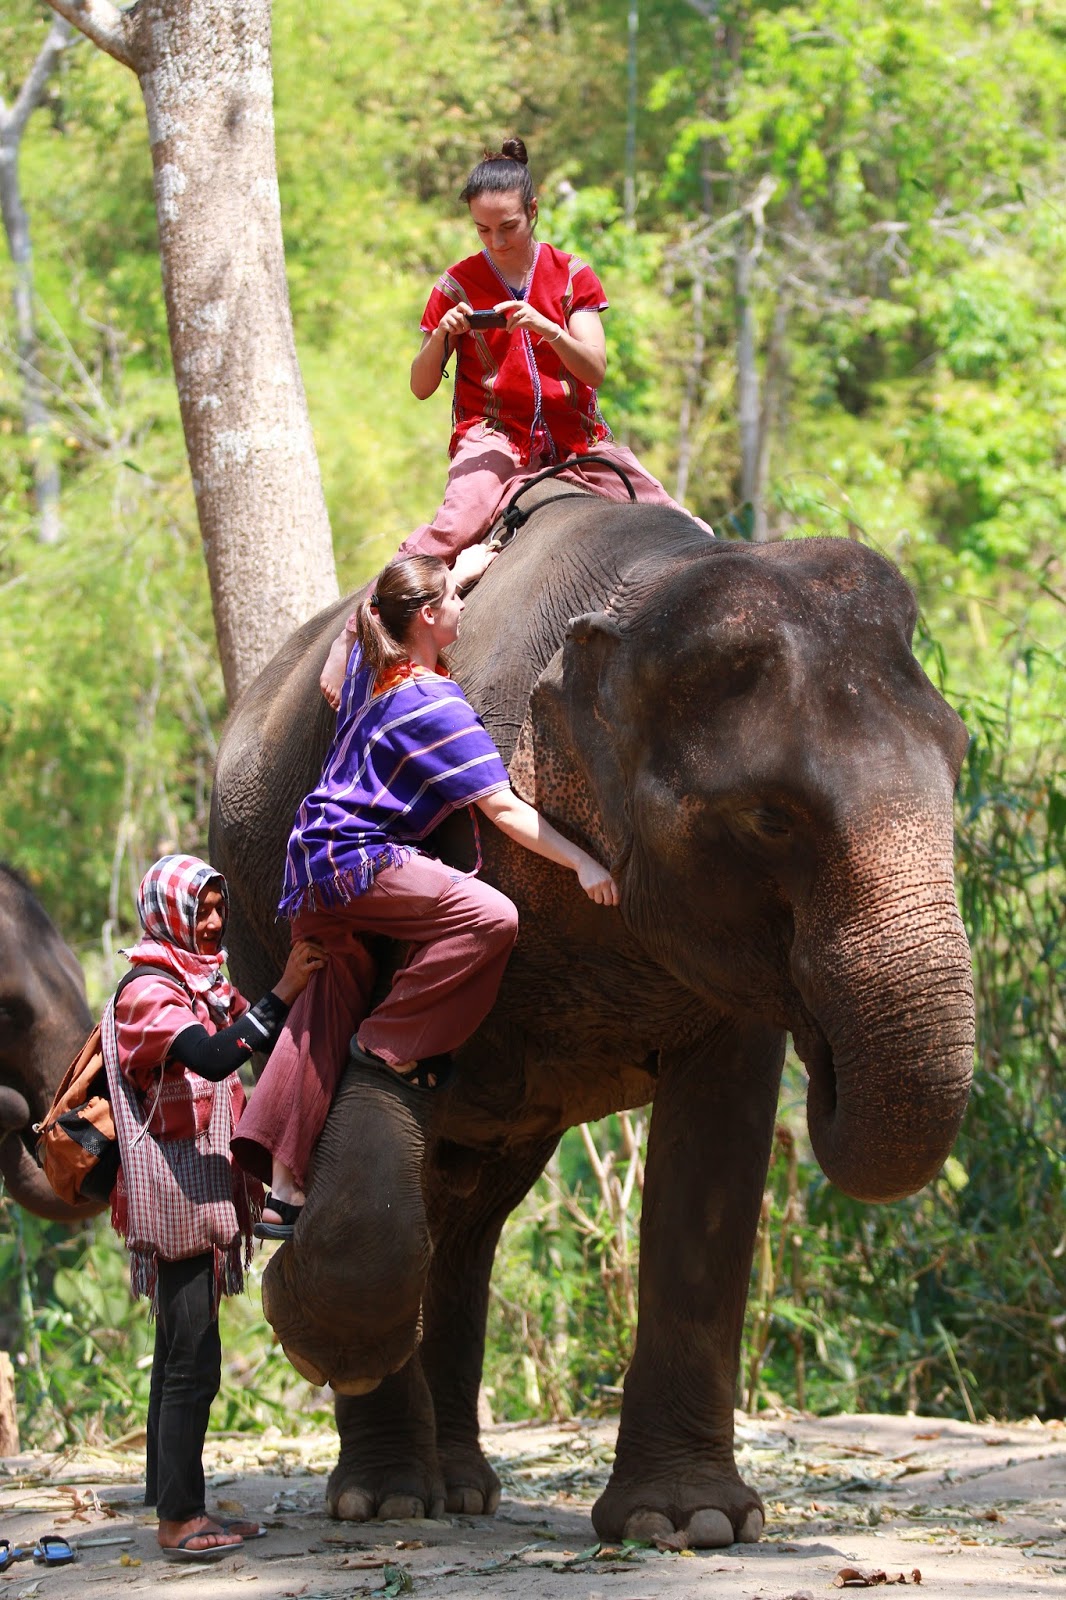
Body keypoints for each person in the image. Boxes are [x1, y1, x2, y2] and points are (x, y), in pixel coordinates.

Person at [232, 552, 618, 1238]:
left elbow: (381, 613)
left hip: (309, 862)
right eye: (455, 600)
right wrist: (583, 862)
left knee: (325, 996)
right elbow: (502, 809)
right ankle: (391, 1045)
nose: (466, 607)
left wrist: (459, 568)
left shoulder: (372, 674)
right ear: (430, 618)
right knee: (489, 917)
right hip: (356, 861)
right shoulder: (433, 704)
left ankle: (284, 1188)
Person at [320, 135, 711, 707]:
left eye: (508, 226)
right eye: (483, 230)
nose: (496, 241)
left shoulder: (572, 275)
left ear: (533, 211)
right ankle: (356, 628)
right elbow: (422, 385)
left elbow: (594, 368)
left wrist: (548, 328)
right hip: (494, 436)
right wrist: (443, 336)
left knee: (684, 525)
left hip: (579, 438)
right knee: (454, 528)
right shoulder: (455, 284)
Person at [102, 854, 324, 1562]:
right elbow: (213, 1057)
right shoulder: (148, 992)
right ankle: (179, 1519)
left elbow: (234, 1027)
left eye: (217, 906)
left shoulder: (200, 980)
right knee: (192, 1359)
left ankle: (169, 1496)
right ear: (167, 914)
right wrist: (289, 986)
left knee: (178, 1348)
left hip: (199, 1185)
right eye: (199, 910)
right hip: (174, 1195)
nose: (214, 921)